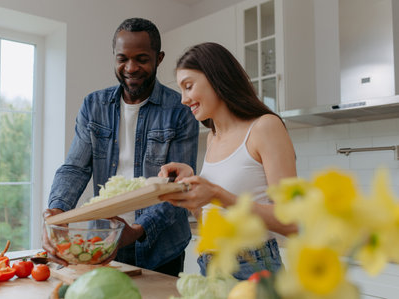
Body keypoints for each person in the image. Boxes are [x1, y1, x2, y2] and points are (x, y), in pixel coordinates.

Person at [42, 18, 199, 277]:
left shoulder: (180, 110)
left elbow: (178, 188)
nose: (131, 67)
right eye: (122, 58)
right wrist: (56, 214)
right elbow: (75, 168)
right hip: (102, 241)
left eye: (141, 59)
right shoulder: (94, 106)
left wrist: (137, 230)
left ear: (159, 58)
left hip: (161, 247)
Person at [158, 42, 297, 280]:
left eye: (188, 86)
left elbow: (292, 221)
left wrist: (217, 194)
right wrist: (191, 195)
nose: (183, 99)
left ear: (216, 77)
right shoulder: (213, 137)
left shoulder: (264, 127)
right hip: (213, 265)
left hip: (254, 268)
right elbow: (217, 219)